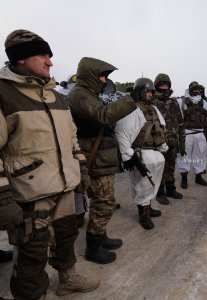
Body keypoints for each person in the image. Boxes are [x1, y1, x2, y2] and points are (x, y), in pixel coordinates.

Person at [0, 29, 99, 299]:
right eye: (43, 55)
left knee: (66, 236)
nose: (50, 62)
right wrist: (2, 196)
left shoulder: (57, 96)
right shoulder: (4, 94)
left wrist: (81, 167)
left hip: (65, 187)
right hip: (30, 194)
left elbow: (72, 139)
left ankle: (68, 279)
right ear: (20, 59)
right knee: (32, 253)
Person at [68, 57, 138, 264]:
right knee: (104, 202)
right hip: (94, 158)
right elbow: (103, 116)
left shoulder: (89, 94)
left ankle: (100, 235)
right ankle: (93, 246)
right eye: (102, 75)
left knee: (101, 201)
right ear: (90, 74)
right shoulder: (79, 94)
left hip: (100, 157)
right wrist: (131, 99)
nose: (104, 80)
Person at [114, 78, 167, 230]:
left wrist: (163, 145)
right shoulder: (132, 109)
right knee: (142, 185)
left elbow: (161, 126)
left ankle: (149, 208)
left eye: (152, 92)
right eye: (147, 92)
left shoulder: (154, 109)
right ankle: (143, 215)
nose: (150, 95)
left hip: (156, 152)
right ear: (139, 92)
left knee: (152, 183)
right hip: (141, 153)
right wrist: (127, 155)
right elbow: (122, 133)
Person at [153, 73, 185, 204]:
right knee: (160, 167)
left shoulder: (174, 103)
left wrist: (182, 142)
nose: (164, 87)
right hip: (158, 142)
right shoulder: (153, 102)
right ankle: (159, 192)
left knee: (171, 166)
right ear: (156, 86)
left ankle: (170, 189)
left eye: (166, 84)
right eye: (161, 84)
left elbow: (180, 122)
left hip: (173, 141)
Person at [177, 82, 207, 188]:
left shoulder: (203, 102)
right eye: (194, 89)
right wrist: (189, 111)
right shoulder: (181, 101)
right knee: (184, 156)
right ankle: (184, 178)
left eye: (198, 90)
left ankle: (198, 177)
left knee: (200, 156)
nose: (197, 91)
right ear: (190, 89)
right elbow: (178, 117)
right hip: (187, 134)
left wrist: (201, 110)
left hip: (200, 133)